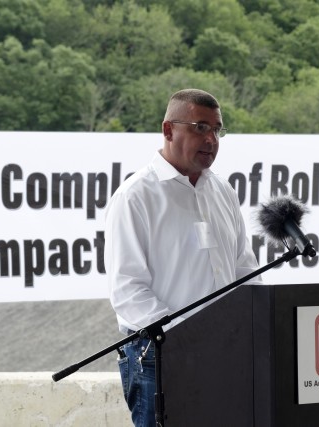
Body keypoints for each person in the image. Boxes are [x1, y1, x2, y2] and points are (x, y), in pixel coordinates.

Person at [104, 88, 262, 426]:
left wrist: (249, 326)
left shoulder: (223, 191)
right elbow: (128, 289)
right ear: (168, 130)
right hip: (158, 357)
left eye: (217, 129)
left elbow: (245, 272)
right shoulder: (136, 197)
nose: (212, 139)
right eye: (200, 127)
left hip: (223, 354)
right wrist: (187, 337)